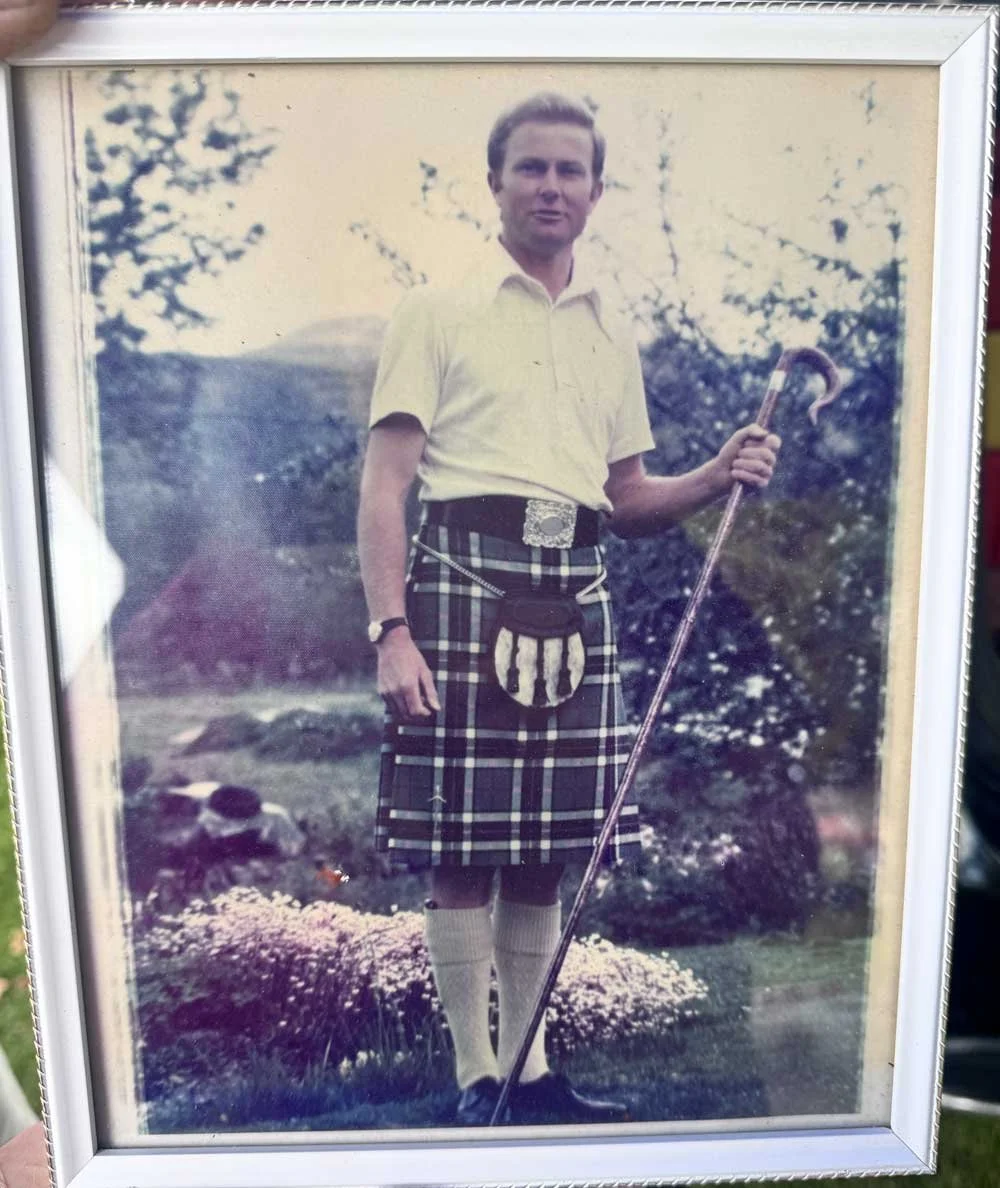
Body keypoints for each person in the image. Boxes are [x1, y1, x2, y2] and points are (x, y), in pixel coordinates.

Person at [357, 92, 780, 1127]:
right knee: (463, 853)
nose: (551, 187)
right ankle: (472, 1077)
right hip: (458, 582)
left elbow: (629, 500)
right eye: (531, 169)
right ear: (494, 181)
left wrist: (717, 472)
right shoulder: (436, 308)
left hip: (572, 587)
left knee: (545, 852)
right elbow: (383, 486)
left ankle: (532, 1078)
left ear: (596, 191)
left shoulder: (608, 332)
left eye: (570, 171)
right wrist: (391, 629)